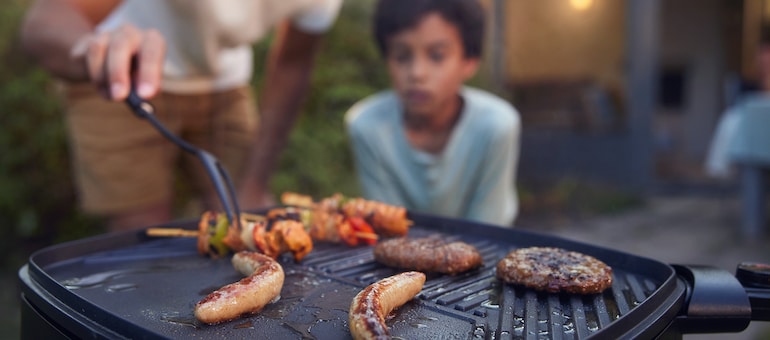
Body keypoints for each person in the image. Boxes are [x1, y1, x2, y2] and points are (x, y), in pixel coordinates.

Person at [20, 0, 342, 232]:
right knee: (143, 236)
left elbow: (293, 64)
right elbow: (47, 17)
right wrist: (89, 49)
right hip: (122, 74)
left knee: (247, 218)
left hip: (224, 82)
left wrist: (256, 182)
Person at [344, 0, 521, 227]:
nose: (417, 74)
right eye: (402, 56)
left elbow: (490, 228)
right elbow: (385, 223)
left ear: (469, 61)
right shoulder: (367, 125)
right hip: (398, 255)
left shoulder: (497, 125)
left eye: (437, 56)